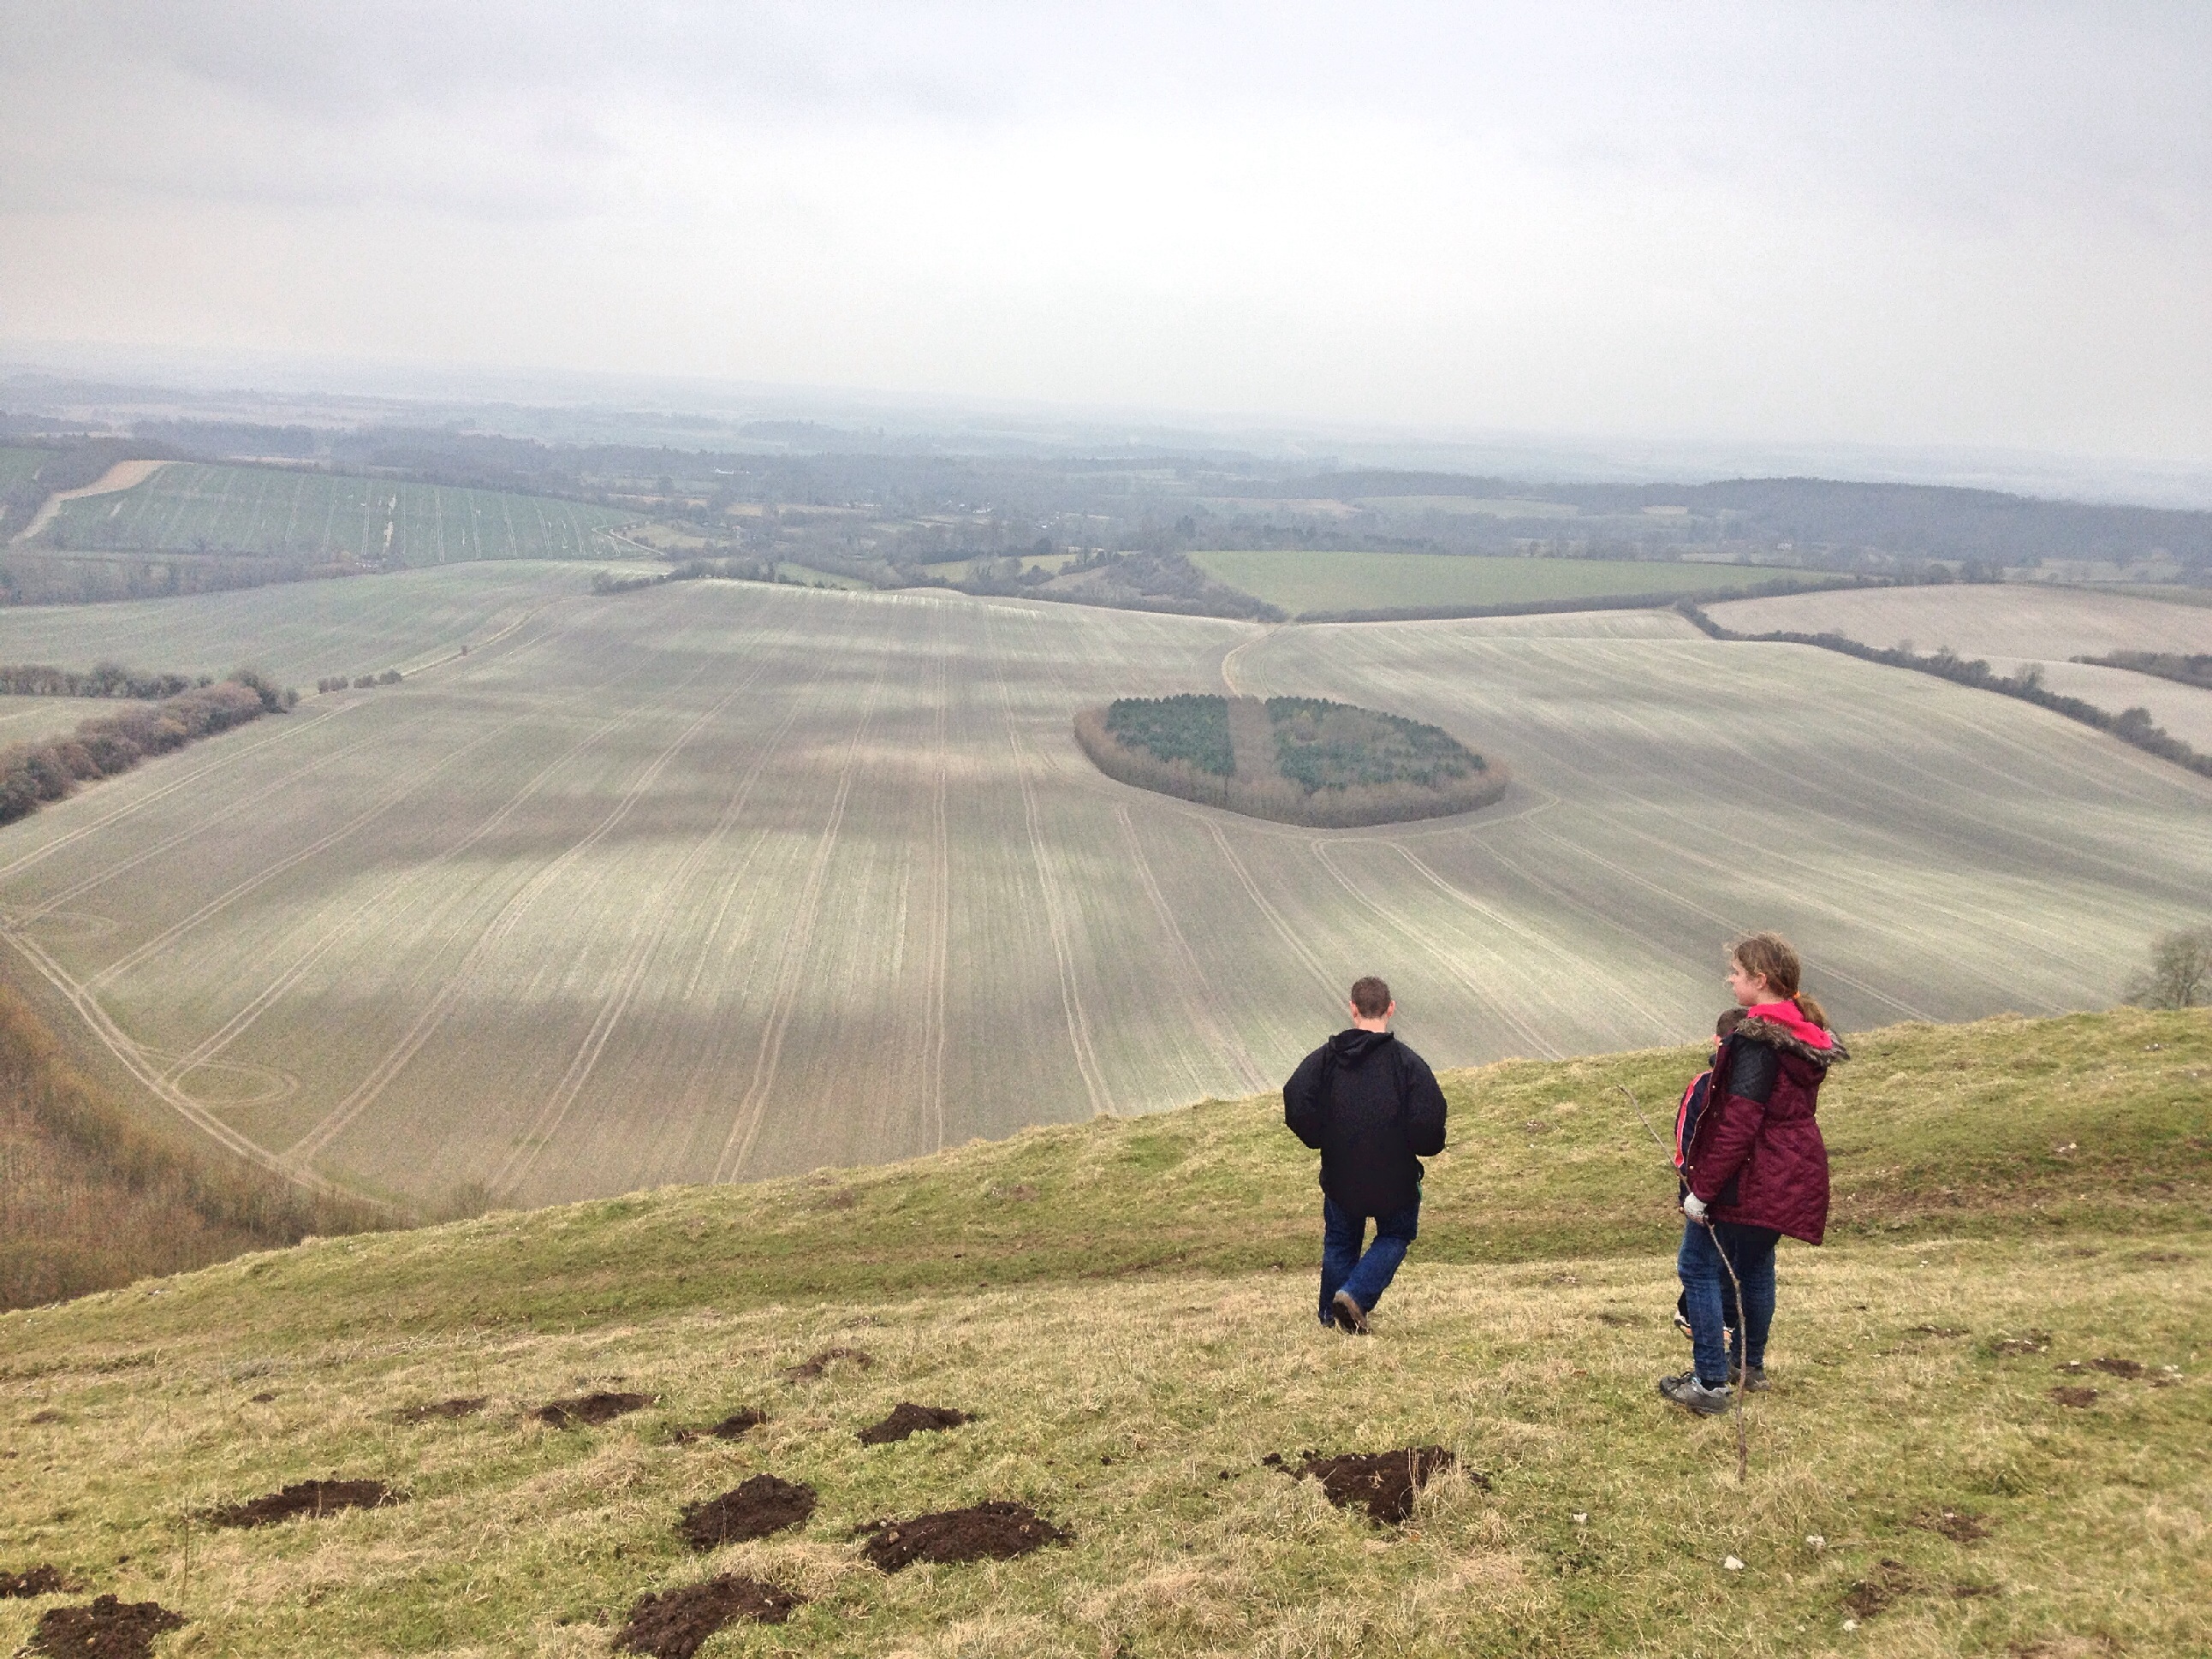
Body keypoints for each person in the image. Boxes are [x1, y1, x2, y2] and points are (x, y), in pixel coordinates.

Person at [1661, 933, 1845, 1415]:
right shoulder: (1804, 1034)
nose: (1730, 980)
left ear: (1760, 980)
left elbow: (1738, 1120)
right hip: (1792, 1168)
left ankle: (1709, 1382)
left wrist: (1702, 1190)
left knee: (1697, 1265)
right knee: (1758, 1264)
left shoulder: (1757, 1040)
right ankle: (1749, 1366)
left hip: (1753, 1169)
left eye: (1737, 974)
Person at [1282, 976, 1448, 1334]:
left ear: (1352, 1009)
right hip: (1395, 1178)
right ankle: (1354, 1296)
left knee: (1341, 1241)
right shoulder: (1407, 1064)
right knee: (1396, 1234)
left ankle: (1331, 1317)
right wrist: (1421, 1146)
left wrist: (1321, 1137)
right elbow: (1430, 1121)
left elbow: (1295, 1099)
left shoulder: (1326, 1060)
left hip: (1342, 1174)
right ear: (1390, 1009)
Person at [1671, 1006, 1745, 1340]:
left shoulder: (1703, 1085)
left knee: (1702, 1261)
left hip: (1709, 1190)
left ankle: (1711, 1327)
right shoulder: (1768, 1086)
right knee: (1729, 1259)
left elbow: (1684, 1139)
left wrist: (1689, 1188)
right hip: (1744, 1191)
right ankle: (1738, 1347)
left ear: (1717, 1040)